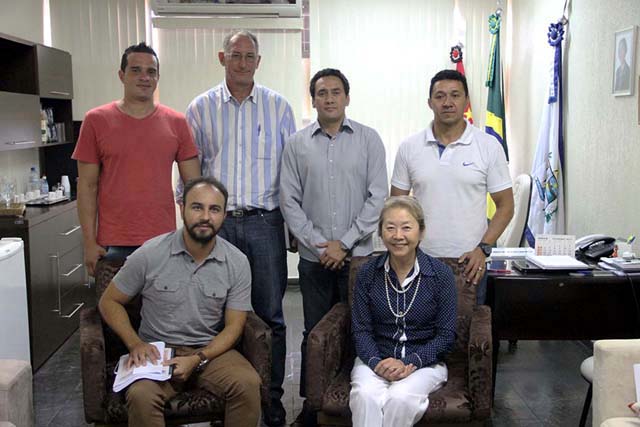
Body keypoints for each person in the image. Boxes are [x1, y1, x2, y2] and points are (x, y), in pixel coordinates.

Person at [179, 30, 296, 426]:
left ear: (258, 62)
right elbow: (189, 174)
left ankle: (271, 403)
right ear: (221, 57)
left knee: (270, 317)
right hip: (218, 227)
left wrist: (292, 224)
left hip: (265, 224)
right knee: (215, 316)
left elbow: (290, 173)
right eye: (235, 55)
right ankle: (225, 397)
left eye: (250, 56)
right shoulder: (200, 108)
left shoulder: (278, 108)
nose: (243, 63)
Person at [98, 176, 261, 427]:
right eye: (197, 207)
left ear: (224, 216)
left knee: (248, 384)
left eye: (214, 209)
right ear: (182, 207)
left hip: (210, 352)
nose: (205, 216)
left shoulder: (237, 262)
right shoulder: (150, 253)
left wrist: (198, 358)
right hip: (158, 354)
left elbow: (234, 327)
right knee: (141, 396)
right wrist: (135, 344)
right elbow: (109, 302)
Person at [280, 67, 388, 425]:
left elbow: (377, 198)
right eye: (322, 92)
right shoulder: (296, 144)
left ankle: (352, 405)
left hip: (358, 259)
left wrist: (342, 243)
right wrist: (318, 243)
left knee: (360, 331)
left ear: (347, 97)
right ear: (313, 99)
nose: (329, 98)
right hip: (314, 260)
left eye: (336, 92)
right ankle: (313, 407)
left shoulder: (369, 139)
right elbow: (289, 201)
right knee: (314, 333)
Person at [72, 42, 200, 276]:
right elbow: (87, 186)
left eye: (151, 71)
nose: (144, 77)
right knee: (113, 311)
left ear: (158, 77)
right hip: (112, 244)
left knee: (162, 312)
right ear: (122, 75)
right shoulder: (96, 121)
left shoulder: (177, 122)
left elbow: (194, 186)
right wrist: (89, 243)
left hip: (163, 242)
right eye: (136, 70)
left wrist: (194, 236)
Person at [390, 69, 513, 304]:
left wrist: (483, 249)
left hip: (469, 263)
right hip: (419, 262)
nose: (447, 103)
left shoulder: (488, 146)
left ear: (466, 101)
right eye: (440, 96)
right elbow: (395, 206)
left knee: (468, 336)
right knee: (419, 335)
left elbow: (506, 206)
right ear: (430, 103)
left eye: (455, 95)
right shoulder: (410, 148)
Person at [350, 196, 457, 427]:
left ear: (421, 231)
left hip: (424, 362)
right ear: (381, 233)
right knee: (364, 396)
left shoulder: (441, 275)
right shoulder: (367, 274)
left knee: (400, 397)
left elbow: (446, 336)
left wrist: (410, 362)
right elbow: (360, 330)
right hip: (375, 359)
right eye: (390, 228)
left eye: (406, 227)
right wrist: (378, 363)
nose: (398, 236)